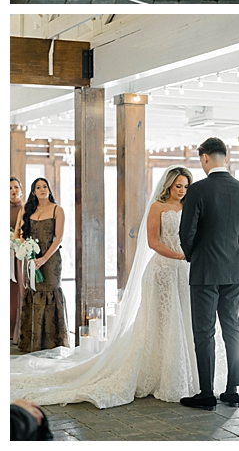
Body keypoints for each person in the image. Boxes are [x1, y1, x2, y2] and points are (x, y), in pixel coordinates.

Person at [10, 166, 200, 408]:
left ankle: (181, 371)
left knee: (183, 319)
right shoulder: (158, 207)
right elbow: (153, 242)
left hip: (185, 270)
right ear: (169, 186)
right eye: (178, 186)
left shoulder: (189, 207)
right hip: (164, 269)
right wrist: (179, 256)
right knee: (162, 321)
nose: (182, 191)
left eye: (185, 186)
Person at [179, 137, 239, 411]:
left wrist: (194, 254)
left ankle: (206, 393)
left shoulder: (198, 190)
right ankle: (232, 390)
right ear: (225, 157)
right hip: (234, 271)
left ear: (205, 159)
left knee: (204, 331)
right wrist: (228, 250)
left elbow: (185, 233)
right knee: (233, 330)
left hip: (204, 271)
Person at [15, 178, 68, 353]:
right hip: (31, 260)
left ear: (49, 189)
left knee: (51, 292)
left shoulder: (57, 210)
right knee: (34, 291)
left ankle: (54, 344)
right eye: (38, 187)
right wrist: (28, 255)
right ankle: (34, 344)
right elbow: (22, 234)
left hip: (51, 260)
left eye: (45, 186)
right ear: (33, 192)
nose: (42, 189)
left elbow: (58, 238)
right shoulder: (27, 210)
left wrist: (44, 259)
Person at [10, 177, 24, 344]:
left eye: (15, 187)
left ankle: (19, 330)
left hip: (20, 256)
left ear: (21, 189)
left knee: (20, 292)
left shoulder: (27, 209)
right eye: (9, 188)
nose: (13, 190)